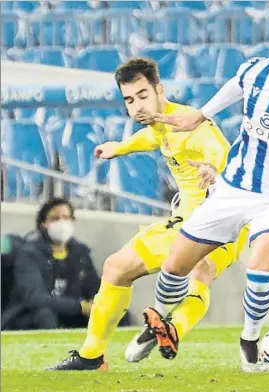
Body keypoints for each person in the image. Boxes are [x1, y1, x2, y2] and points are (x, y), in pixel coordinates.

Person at [141, 14, 269, 372]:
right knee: (176, 263)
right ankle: (158, 319)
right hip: (234, 186)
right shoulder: (253, 71)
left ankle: (250, 339)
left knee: (260, 263)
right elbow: (223, 97)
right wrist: (199, 115)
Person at [49, 57, 248, 371]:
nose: (137, 106)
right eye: (129, 99)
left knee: (118, 268)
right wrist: (121, 147)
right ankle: (172, 329)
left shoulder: (190, 123)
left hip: (205, 219)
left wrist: (213, 169)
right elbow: (155, 137)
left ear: (159, 89)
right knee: (197, 276)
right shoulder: (163, 122)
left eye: (143, 95)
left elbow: (216, 150)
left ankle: (92, 355)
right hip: (229, 224)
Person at [5, 198, 102, 331]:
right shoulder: (29, 253)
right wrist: (80, 307)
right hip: (29, 315)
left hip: (71, 314)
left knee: (117, 313)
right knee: (45, 315)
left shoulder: (81, 253)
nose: (62, 223)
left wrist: (99, 304)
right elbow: (35, 298)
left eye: (66, 217)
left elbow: (94, 287)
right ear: (43, 224)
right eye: (55, 218)